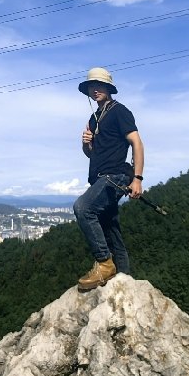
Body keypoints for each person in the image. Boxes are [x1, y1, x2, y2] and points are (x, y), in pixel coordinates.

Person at [73, 67, 144, 292]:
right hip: (100, 178)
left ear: (108, 88)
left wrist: (138, 178)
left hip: (115, 176)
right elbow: (92, 154)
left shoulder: (119, 111)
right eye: (91, 86)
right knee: (111, 230)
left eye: (99, 85)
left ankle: (104, 263)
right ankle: (124, 284)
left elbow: (137, 143)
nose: (95, 90)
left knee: (83, 208)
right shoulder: (93, 119)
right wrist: (87, 143)